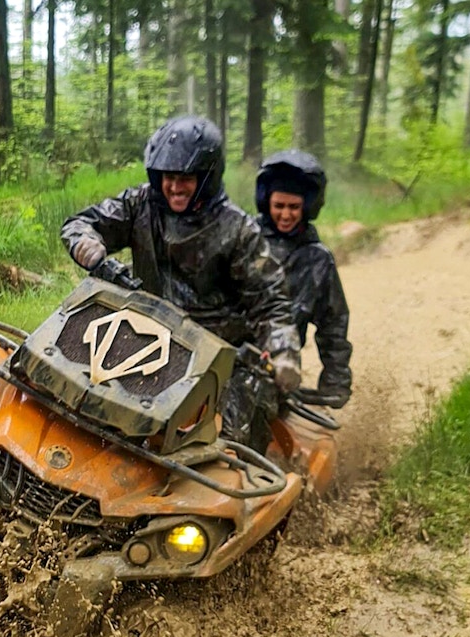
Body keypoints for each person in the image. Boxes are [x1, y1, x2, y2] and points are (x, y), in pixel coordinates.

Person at [60, 115, 302, 448]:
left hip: (216, 355)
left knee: (233, 437)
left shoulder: (239, 229)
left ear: (207, 177)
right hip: (144, 335)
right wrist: (89, 246)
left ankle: (240, 482)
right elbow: (80, 223)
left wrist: (284, 349)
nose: (174, 187)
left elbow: (271, 300)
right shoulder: (140, 204)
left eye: (186, 178)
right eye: (168, 177)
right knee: (72, 390)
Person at [255, 150, 353, 409]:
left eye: (294, 207)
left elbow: (333, 323)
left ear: (308, 206)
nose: (286, 215)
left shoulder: (318, 260)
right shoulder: (245, 241)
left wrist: (336, 380)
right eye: (279, 206)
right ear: (267, 202)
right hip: (231, 354)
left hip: (281, 367)